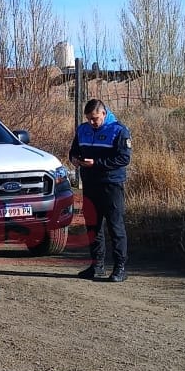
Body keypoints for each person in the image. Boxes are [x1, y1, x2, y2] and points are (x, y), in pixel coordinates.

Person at [68, 99, 131, 282]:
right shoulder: (82, 129)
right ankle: (97, 265)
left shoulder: (119, 130)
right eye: (88, 119)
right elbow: (73, 150)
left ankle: (120, 267)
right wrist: (74, 159)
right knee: (93, 226)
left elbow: (123, 159)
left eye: (94, 119)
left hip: (111, 184)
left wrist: (97, 164)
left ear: (104, 114)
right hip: (90, 184)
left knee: (115, 226)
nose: (91, 122)